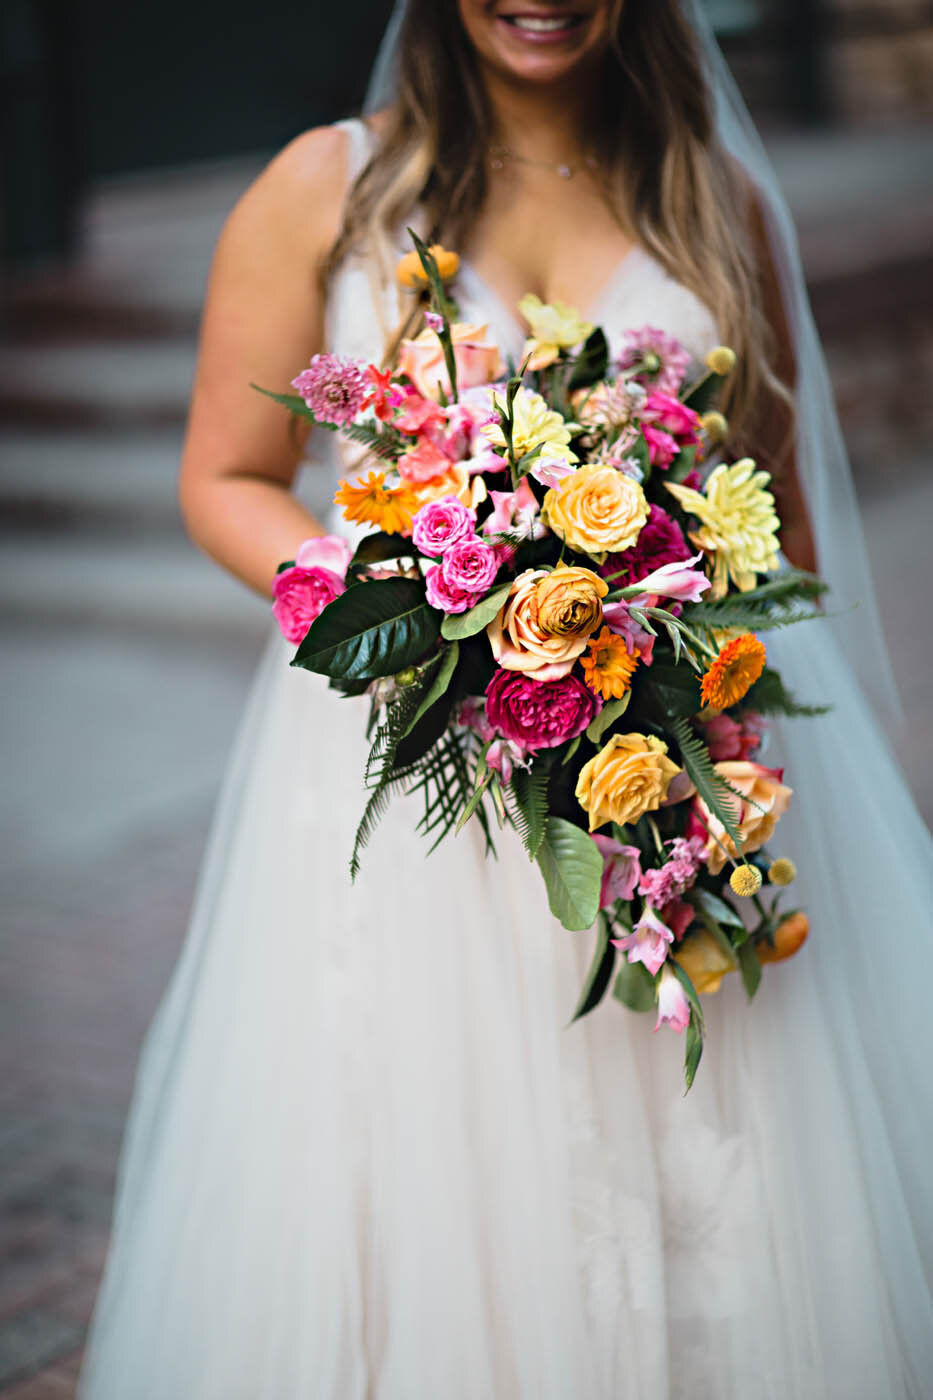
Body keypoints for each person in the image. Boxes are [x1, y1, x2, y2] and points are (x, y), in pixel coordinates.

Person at [79, 2, 933, 1396]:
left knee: (722, 1165)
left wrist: (682, 668)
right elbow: (221, 478)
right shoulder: (326, 187)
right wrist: (418, 606)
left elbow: (773, 525)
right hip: (415, 770)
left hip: (663, 778)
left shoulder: (717, 204)